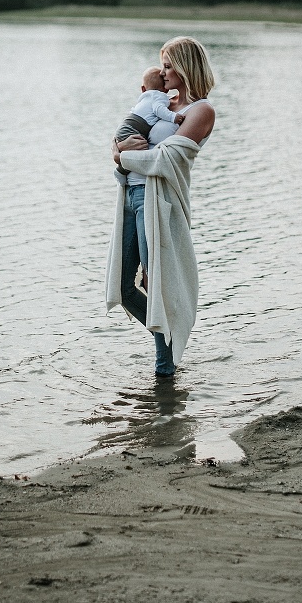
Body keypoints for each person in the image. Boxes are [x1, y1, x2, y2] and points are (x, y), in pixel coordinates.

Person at [106, 37, 216, 377]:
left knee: (157, 284)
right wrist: (118, 148)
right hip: (130, 196)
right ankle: (167, 356)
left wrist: (120, 156)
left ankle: (164, 369)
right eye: (163, 66)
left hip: (159, 201)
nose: (162, 73)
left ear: (185, 67)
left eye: (168, 66)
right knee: (124, 287)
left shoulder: (200, 111)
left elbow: (164, 160)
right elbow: (128, 131)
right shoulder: (161, 102)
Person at [114, 65, 184, 144]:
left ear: (143, 89)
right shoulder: (159, 96)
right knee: (141, 145)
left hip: (126, 125)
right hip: (133, 129)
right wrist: (173, 117)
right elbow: (159, 109)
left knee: (133, 145)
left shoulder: (146, 97)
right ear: (166, 89)